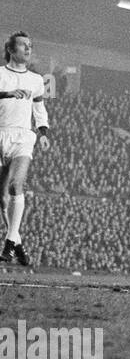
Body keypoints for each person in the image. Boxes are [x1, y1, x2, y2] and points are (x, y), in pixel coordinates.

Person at [0, 32, 51, 266]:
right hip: (1, 133)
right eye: (23, 46)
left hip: (22, 136)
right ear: (11, 50)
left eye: (30, 46)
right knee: (2, 199)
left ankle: (9, 242)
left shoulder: (36, 80)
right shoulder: (1, 74)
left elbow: (39, 108)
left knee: (16, 185)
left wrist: (43, 132)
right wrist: (8, 94)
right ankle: (18, 243)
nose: (28, 50)